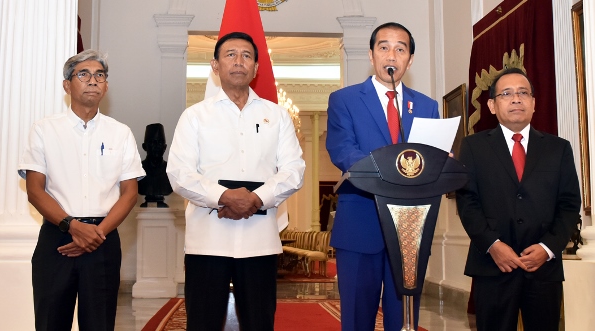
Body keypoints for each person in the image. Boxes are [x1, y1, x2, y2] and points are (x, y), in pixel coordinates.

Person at [166, 31, 305, 331]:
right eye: (230, 55)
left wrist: (256, 199)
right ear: (215, 67)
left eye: (246, 55)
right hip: (207, 241)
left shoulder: (277, 116)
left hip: (259, 242)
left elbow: (294, 170)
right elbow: (179, 173)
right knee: (202, 323)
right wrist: (224, 197)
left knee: (259, 323)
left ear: (256, 68)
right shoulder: (194, 117)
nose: (238, 61)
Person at [18, 49, 145, 331]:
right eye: (83, 74)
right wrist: (72, 225)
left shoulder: (120, 133)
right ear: (67, 85)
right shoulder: (43, 130)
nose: (93, 80)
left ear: (106, 86)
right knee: (51, 322)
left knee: (100, 324)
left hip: (104, 240)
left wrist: (96, 234)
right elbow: (35, 191)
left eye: (100, 75)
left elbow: (129, 193)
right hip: (57, 239)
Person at [325, 22, 439, 331]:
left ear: (410, 59)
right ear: (372, 55)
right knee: (357, 318)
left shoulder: (427, 107)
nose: (392, 55)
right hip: (361, 223)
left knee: (403, 320)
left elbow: (430, 160)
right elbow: (342, 150)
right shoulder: (344, 100)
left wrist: (441, 162)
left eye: (401, 49)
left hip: (411, 228)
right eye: (384, 47)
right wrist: (390, 171)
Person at [456, 68, 581, 331]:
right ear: (491, 105)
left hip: (543, 269)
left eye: (523, 93)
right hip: (492, 266)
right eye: (507, 94)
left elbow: (569, 205)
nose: (516, 99)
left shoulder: (558, 148)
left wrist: (547, 248)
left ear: (534, 103)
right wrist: (493, 245)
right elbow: (468, 202)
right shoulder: (473, 147)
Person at [138, 123, 173, 207]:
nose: (157, 146)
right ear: (144, 146)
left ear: (165, 147)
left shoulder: (171, 170)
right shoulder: (137, 170)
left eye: (160, 143)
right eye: (153, 142)